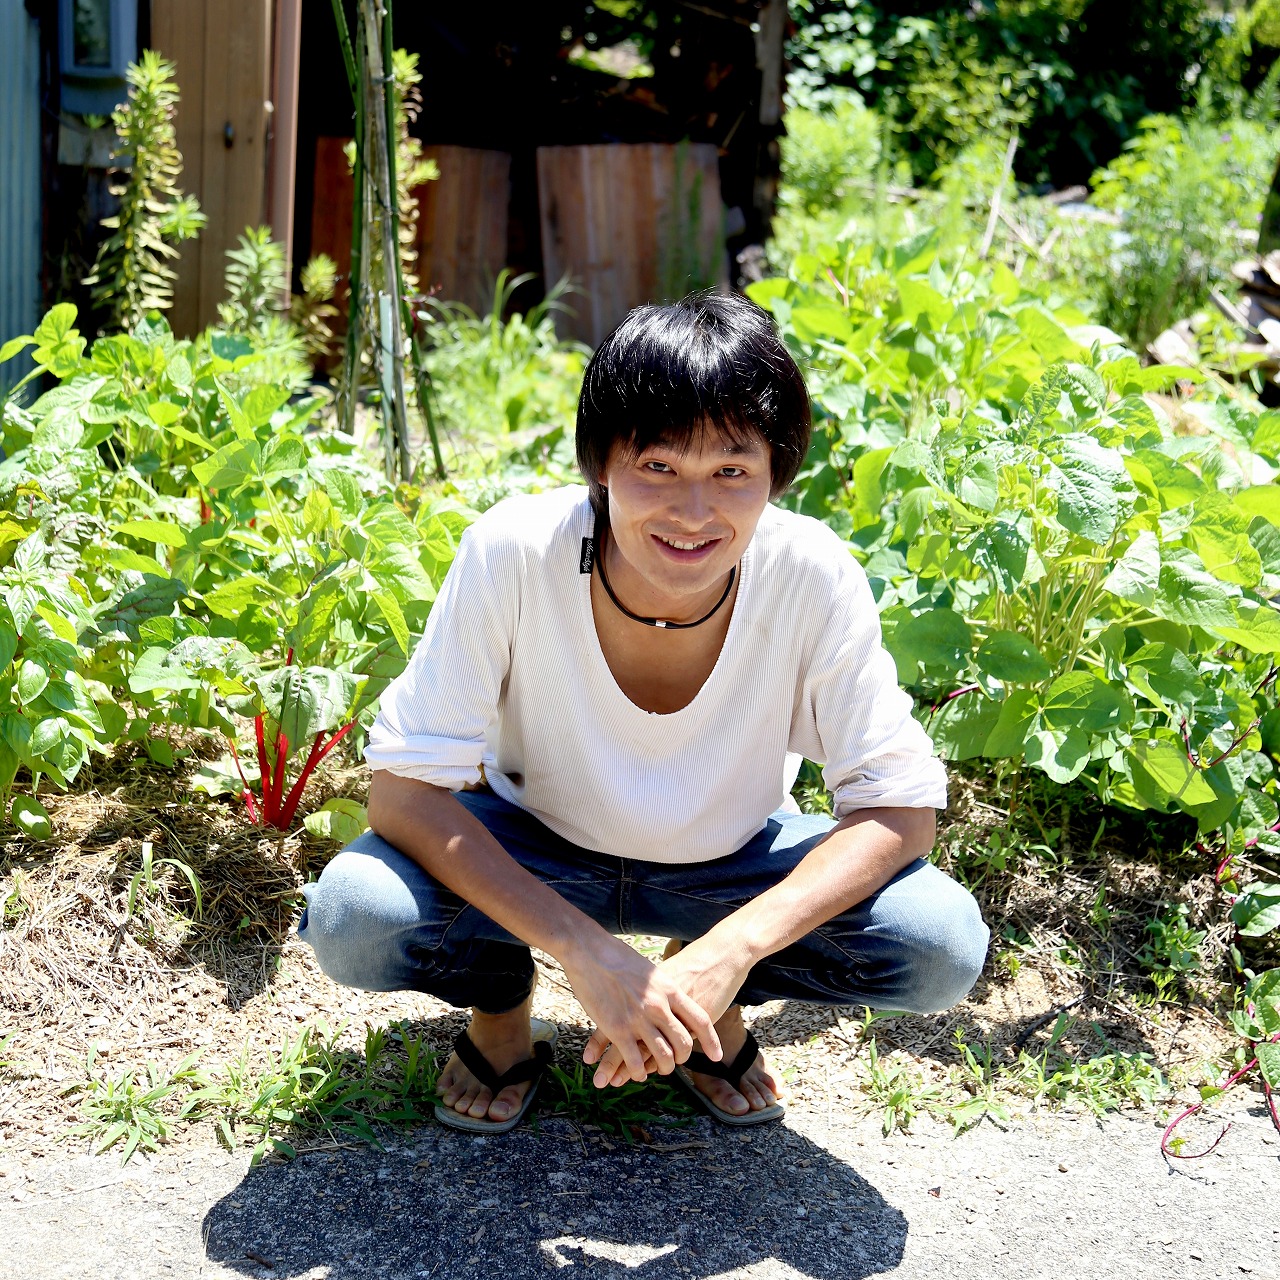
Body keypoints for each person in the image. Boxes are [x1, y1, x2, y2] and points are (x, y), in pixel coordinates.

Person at [299, 291, 989, 1132]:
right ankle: (502, 1003)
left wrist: (729, 951)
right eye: (657, 466)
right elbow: (403, 793)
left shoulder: (811, 573)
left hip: (729, 861)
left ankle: (699, 999)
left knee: (939, 943)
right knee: (355, 916)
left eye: (731, 472)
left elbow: (900, 808)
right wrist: (581, 951)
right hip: (538, 848)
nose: (693, 513)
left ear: (776, 472)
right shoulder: (515, 552)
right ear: (600, 463)